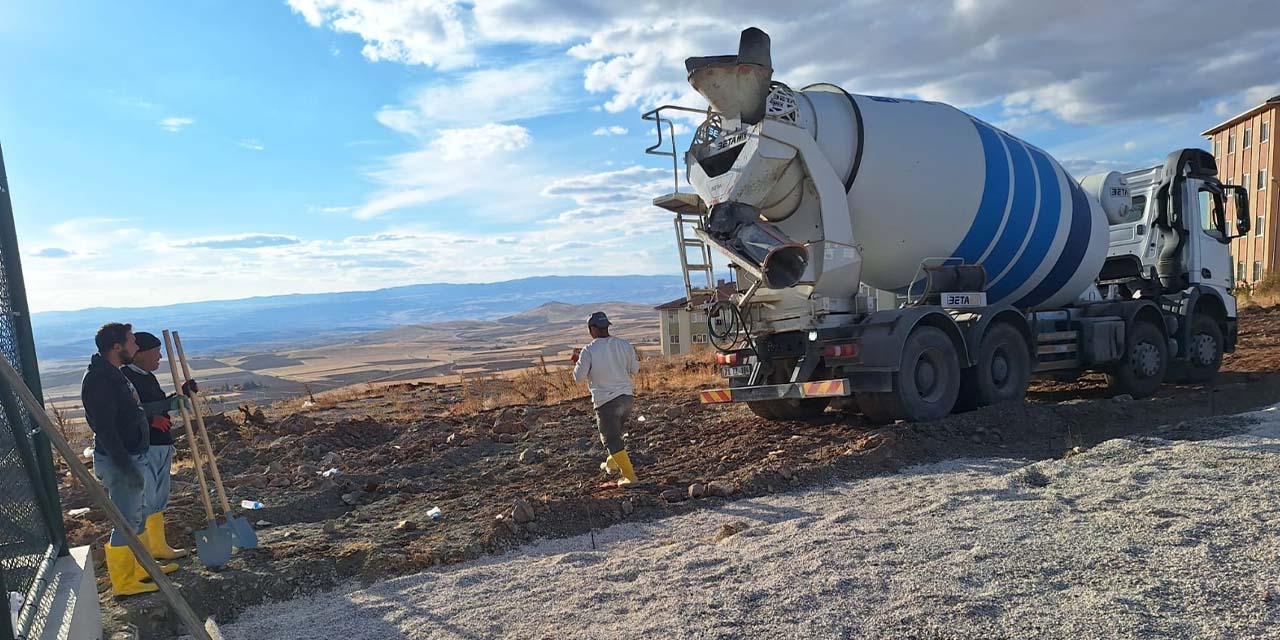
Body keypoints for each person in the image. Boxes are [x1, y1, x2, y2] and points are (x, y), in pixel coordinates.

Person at [81, 323, 184, 596]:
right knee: (125, 522)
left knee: (136, 518)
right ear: (117, 347)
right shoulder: (100, 380)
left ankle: (141, 569)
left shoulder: (113, 374)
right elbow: (105, 428)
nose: (136, 346)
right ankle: (124, 582)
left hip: (131, 455)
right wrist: (125, 465)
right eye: (131, 342)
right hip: (120, 460)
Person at [120, 331, 196, 565]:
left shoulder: (148, 377)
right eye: (156, 352)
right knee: (146, 499)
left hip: (162, 444)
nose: (160, 357)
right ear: (139, 353)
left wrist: (181, 393)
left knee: (159, 498)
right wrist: (151, 419)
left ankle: (158, 546)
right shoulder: (125, 379)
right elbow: (128, 412)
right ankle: (145, 556)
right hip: (145, 447)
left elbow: (159, 404)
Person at [572, 311, 641, 486]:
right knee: (615, 435)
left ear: (592, 329)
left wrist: (578, 361)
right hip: (627, 399)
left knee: (610, 439)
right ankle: (611, 463)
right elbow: (635, 369)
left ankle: (629, 477)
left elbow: (578, 377)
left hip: (606, 402)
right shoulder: (625, 345)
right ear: (607, 326)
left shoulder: (589, 351)